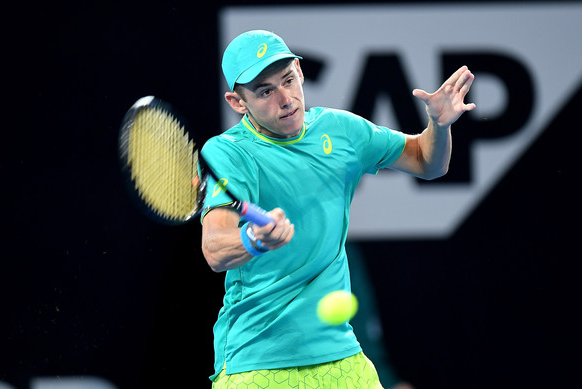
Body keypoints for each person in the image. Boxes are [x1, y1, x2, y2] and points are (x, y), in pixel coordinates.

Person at [200, 30, 475, 388]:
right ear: (238, 103)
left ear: (299, 71)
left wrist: (438, 126)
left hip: (340, 357)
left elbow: (427, 161)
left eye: (288, 80)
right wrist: (253, 239)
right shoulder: (230, 153)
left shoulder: (340, 130)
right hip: (258, 360)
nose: (285, 99)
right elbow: (215, 248)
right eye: (266, 91)